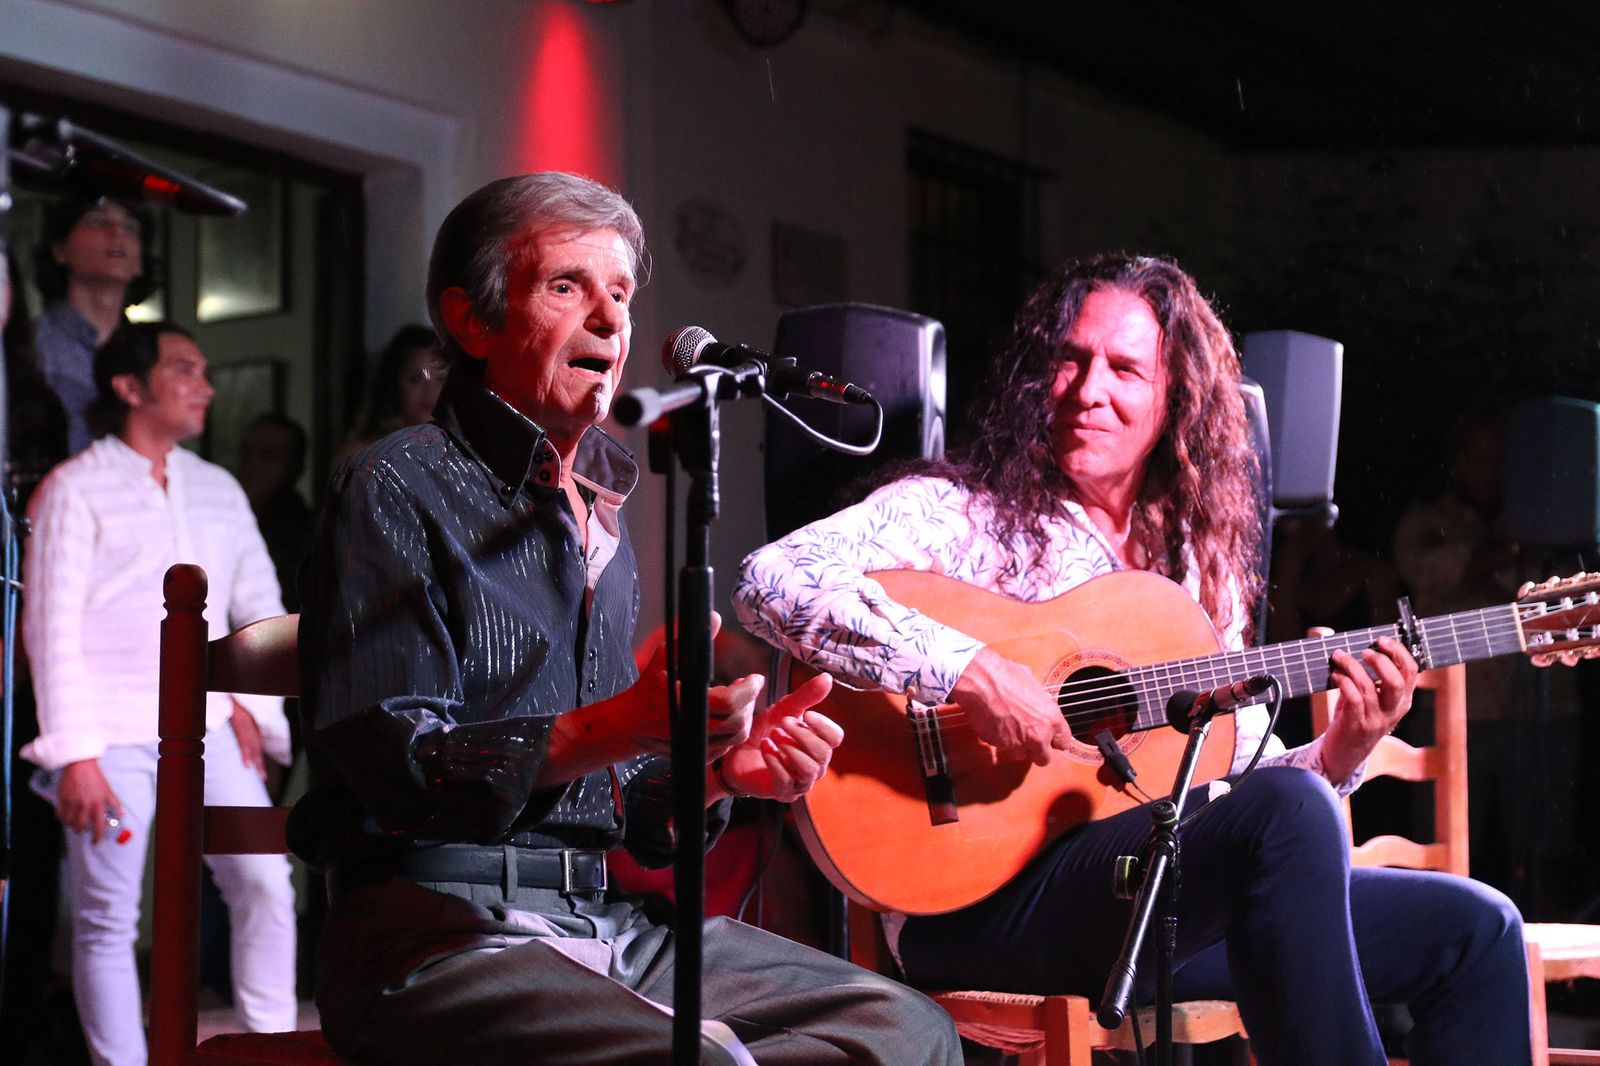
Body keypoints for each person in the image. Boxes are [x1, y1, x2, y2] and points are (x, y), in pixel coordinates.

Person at [734, 254, 1533, 1065]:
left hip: (1145, 895)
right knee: (1294, 811)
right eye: (1070, 361)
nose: (1088, 391)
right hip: (978, 907)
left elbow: (1243, 782)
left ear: (1172, 401)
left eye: (1123, 369)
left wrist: (1343, 749)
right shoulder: (961, 517)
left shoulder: (1189, 571)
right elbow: (772, 580)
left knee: (1476, 929)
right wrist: (969, 672)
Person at [286, 172, 960, 1066]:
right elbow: (400, 769)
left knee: (909, 1031)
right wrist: (621, 724)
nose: (609, 317)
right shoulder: (394, 487)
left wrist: (719, 774)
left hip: (602, 922)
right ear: (471, 319)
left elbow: (621, 801)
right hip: (432, 935)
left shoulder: (602, 513)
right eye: (566, 286)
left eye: (621, 293)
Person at [22, 322, 298, 1066]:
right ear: (129, 387)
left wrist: (257, 712)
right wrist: (74, 755)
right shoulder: (73, 487)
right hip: (109, 736)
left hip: (209, 729)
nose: (205, 385)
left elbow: (261, 607)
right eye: (185, 369)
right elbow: (49, 626)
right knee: (109, 918)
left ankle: (267, 1049)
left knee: (266, 883)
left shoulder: (218, 486)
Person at [31, 195, 157, 456]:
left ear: (140, 262)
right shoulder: (31, 345)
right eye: (97, 221)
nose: (116, 233)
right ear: (59, 249)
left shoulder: (155, 353)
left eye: (130, 228)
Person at [333, 322, 449, 464]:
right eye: (416, 380)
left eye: (440, 380)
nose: (429, 392)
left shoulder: (461, 452)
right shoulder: (360, 455)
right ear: (394, 382)